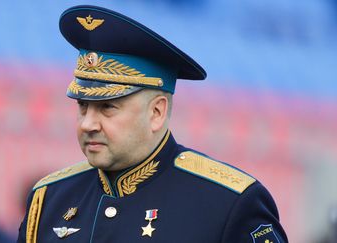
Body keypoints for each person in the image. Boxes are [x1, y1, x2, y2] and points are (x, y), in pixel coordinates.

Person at [17, 5, 288, 243]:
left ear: (157, 112)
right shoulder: (49, 198)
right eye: (82, 106)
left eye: (107, 107)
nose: (88, 124)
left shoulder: (230, 202)